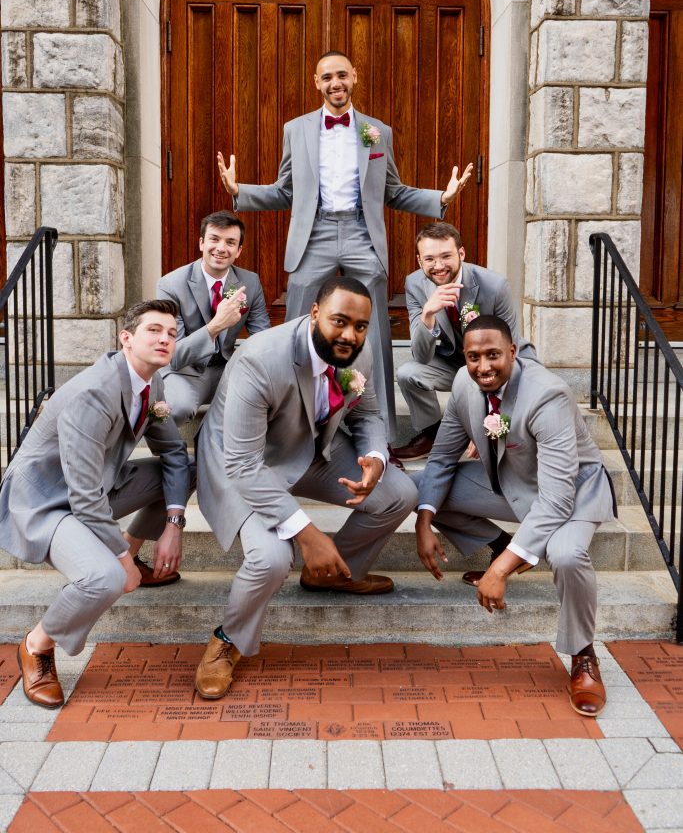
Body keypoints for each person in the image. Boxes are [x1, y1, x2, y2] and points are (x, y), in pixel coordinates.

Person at [217, 50, 473, 446]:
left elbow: (393, 191)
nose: (335, 83)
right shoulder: (296, 129)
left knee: (374, 332)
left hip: (361, 232)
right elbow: (285, 191)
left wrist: (440, 197)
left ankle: (382, 436)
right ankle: (292, 426)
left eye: (341, 75)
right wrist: (241, 192)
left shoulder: (377, 131)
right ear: (316, 83)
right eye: (327, 78)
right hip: (314, 232)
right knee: (299, 326)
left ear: (354, 77)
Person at [194, 276, 418, 699]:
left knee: (400, 494)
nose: (350, 335)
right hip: (243, 463)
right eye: (339, 321)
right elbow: (242, 463)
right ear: (314, 313)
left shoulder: (359, 351)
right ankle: (228, 639)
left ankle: (331, 574)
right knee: (272, 558)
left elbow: (368, 414)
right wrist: (309, 534)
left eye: (360, 326)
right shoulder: (260, 359)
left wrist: (375, 457)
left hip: (309, 451)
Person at [414, 315, 616, 718]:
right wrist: (423, 522)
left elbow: (556, 499)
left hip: (573, 493)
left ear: (512, 352)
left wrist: (500, 572)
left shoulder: (548, 395)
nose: (483, 366)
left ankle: (583, 654)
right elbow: (441, 458)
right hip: (515, 482)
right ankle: (505, 546)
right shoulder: (464, 384)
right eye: (473, 357)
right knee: (418, 491)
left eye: (493, 355)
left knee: (566, 555)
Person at [0, 300, 192, 708]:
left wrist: (174, 524)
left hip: (98, 486)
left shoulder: (151, 384)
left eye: (172, 333)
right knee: (104, 578)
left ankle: (131, 554)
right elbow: (84, 496)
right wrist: (119, 561)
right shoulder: (93, 393)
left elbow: (175, 454)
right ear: (126, 338)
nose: (164, 339)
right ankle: (37, 644)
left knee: (185, 471)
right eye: (154, 330)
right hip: (48, 500)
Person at [394, 222, 536, 461]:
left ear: (461, 253)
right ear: (419, 261)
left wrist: (487, 421)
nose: (438, 266)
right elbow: (421, 357)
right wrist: (427, 315)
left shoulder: (494, 285)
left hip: (495, 361)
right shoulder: (414, 284)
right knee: (408, 373)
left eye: (445, 256)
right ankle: (433, 435)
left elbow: (508, 353)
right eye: (429, 259)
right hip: (452, 362)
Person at [156, 210, 269, 427]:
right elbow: (173, 355)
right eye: (214, 239)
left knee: (268, 399)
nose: (221, 248)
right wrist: (215, 326)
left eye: (230, 242)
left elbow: (262, 339)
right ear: (201, 243)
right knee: (176, 409)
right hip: (185, 370)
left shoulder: (250, 282)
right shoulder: (170, 285)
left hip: (227, 369)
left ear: (239, 250)